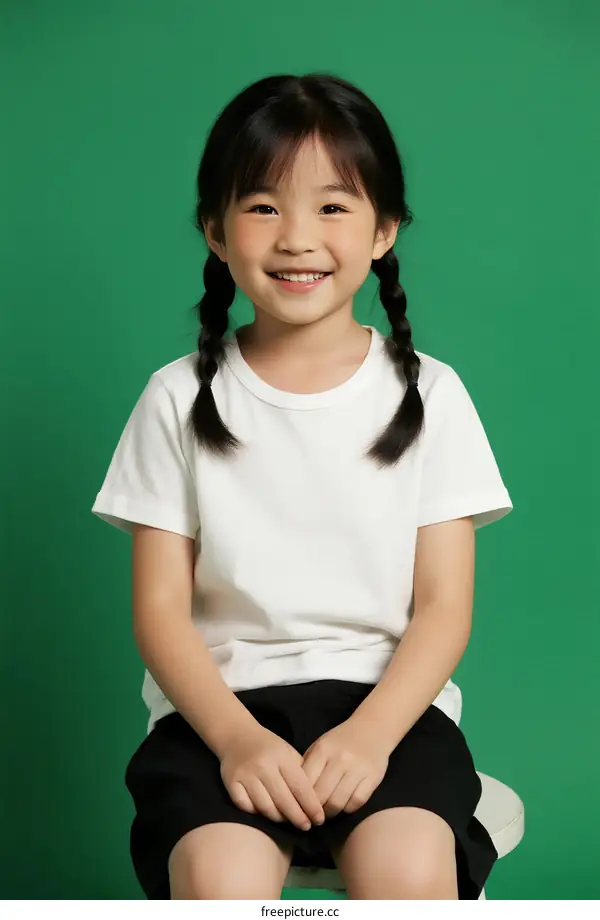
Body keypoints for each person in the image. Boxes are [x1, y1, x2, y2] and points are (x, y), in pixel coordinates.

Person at [91, 72, 513, 901]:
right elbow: (161, 613)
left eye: (332, 206)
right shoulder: (175, 397)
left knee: (408, 874)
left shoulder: (434, 393)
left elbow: (444, 608)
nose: (295, 238)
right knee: (220, 883)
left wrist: (370, 737)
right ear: (215, 231)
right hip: (218, 717)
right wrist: (236, 740)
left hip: (390, 713)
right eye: (261, 207)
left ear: (384, 229)